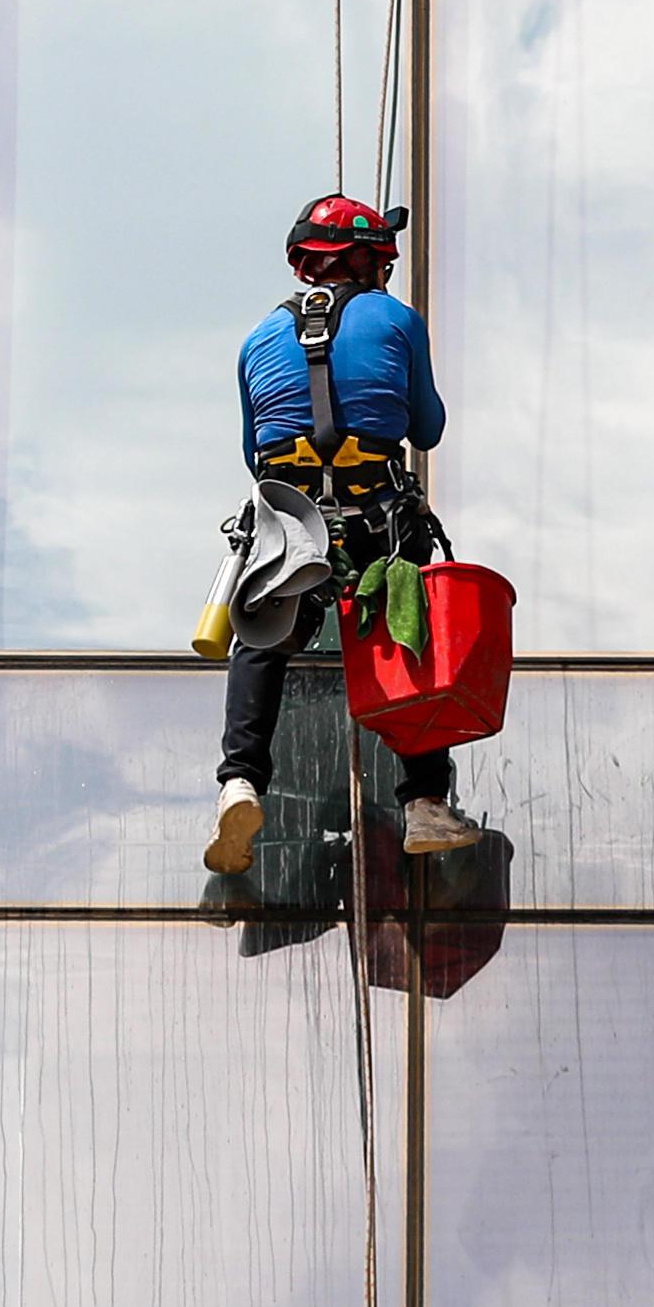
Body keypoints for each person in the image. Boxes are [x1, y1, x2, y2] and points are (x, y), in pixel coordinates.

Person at [208, 193, 487, 874]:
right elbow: (428, 429)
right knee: (402, 626)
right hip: (378, 522)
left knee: (261, 639)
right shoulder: (396, 319)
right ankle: (424, 801)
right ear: (369, 261)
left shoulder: (256, 340)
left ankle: (239, 783)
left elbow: (257, 454)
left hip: (288, 526)